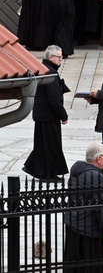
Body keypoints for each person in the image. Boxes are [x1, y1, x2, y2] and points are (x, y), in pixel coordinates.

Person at [62, 142, 103, 273]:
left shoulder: (77, 172)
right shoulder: (96, 176)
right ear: (99, 158)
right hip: (89, 228)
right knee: (91, 267)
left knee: (75, 262)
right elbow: (101, 206)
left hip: (73, 223)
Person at [22, 45, 69, 182]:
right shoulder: (50, 73)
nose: (61, 59)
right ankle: (49, 174)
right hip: (48, 115)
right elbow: (53, 98)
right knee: (51, 145)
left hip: (42, 114)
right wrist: (63, 115)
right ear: (50, 57)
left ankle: (33, 167)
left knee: (43, 144)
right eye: (59, 57)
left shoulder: (44, 69)